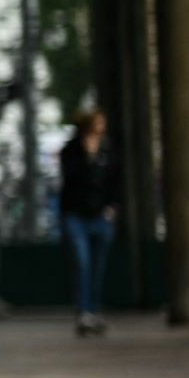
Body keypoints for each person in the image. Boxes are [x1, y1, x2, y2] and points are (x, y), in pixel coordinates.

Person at [58, 109, 121, 336]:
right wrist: (87, 157)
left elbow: (115, 179)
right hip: (76, 215)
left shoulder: (108, 149)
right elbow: (71, 179)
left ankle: (93, 310)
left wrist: (113, 207)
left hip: (101, 217)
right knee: (82, 264)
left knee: (98, 266)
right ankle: (84, 311)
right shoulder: (71, 150)